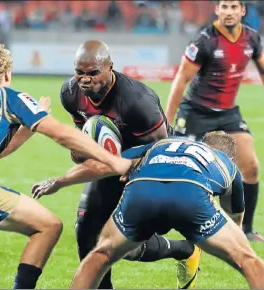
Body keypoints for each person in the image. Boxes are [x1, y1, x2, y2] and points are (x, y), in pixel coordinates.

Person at [0, 43, 132, 290]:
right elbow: (62, 134)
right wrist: (114, 160)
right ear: (6, 74)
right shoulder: (9, 96)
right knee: (49, 226)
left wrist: (27, 129)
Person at [32, 132, 264, 289]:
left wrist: (59, 182)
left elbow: (103, 164)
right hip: (190, 198)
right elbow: (235, 220)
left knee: (102, 254)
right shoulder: (227, 166)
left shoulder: (161, 144)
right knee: (248, 260)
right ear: (230, 157)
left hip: (142, 192)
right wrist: (226, 244)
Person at [62, 40, 201, 289]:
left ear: (110, 68)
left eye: (92, 73)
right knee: (86, 231)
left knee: (126, 240)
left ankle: (184, 249)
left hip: (150, 166)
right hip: (109, 165)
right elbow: (81, 133)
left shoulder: (137, 102)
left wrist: (128, 166)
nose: (84, 79)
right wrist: (81, 149)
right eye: (79, 72)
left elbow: (162, 149)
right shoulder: (70, 93)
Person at [165, 0, 264, 242]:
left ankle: (245, 230)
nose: (228, 12)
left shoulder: (251, 39)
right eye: (224, 7)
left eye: (233, 7)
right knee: (177, 169)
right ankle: (157, 222)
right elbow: (181, 79)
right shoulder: (204, 40)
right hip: (195, 111)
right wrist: (166, 122)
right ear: (217, 10)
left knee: (251, 167)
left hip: (227, 112)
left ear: (242, 11)